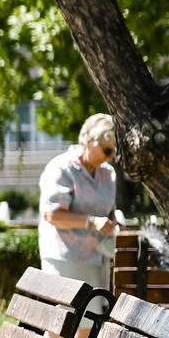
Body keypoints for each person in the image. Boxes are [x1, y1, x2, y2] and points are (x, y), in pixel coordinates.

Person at [39, 114, 119, 293]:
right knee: (68, 317)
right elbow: (52, 215)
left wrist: (114, 223)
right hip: (65, 261)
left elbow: (108, 212)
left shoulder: (108, 173)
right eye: (107, 151)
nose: (110, 157)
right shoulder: (61, 168)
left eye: (113, 151)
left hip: (100, 258)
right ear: (90, 141)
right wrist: (91, 222)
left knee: (94, 319)